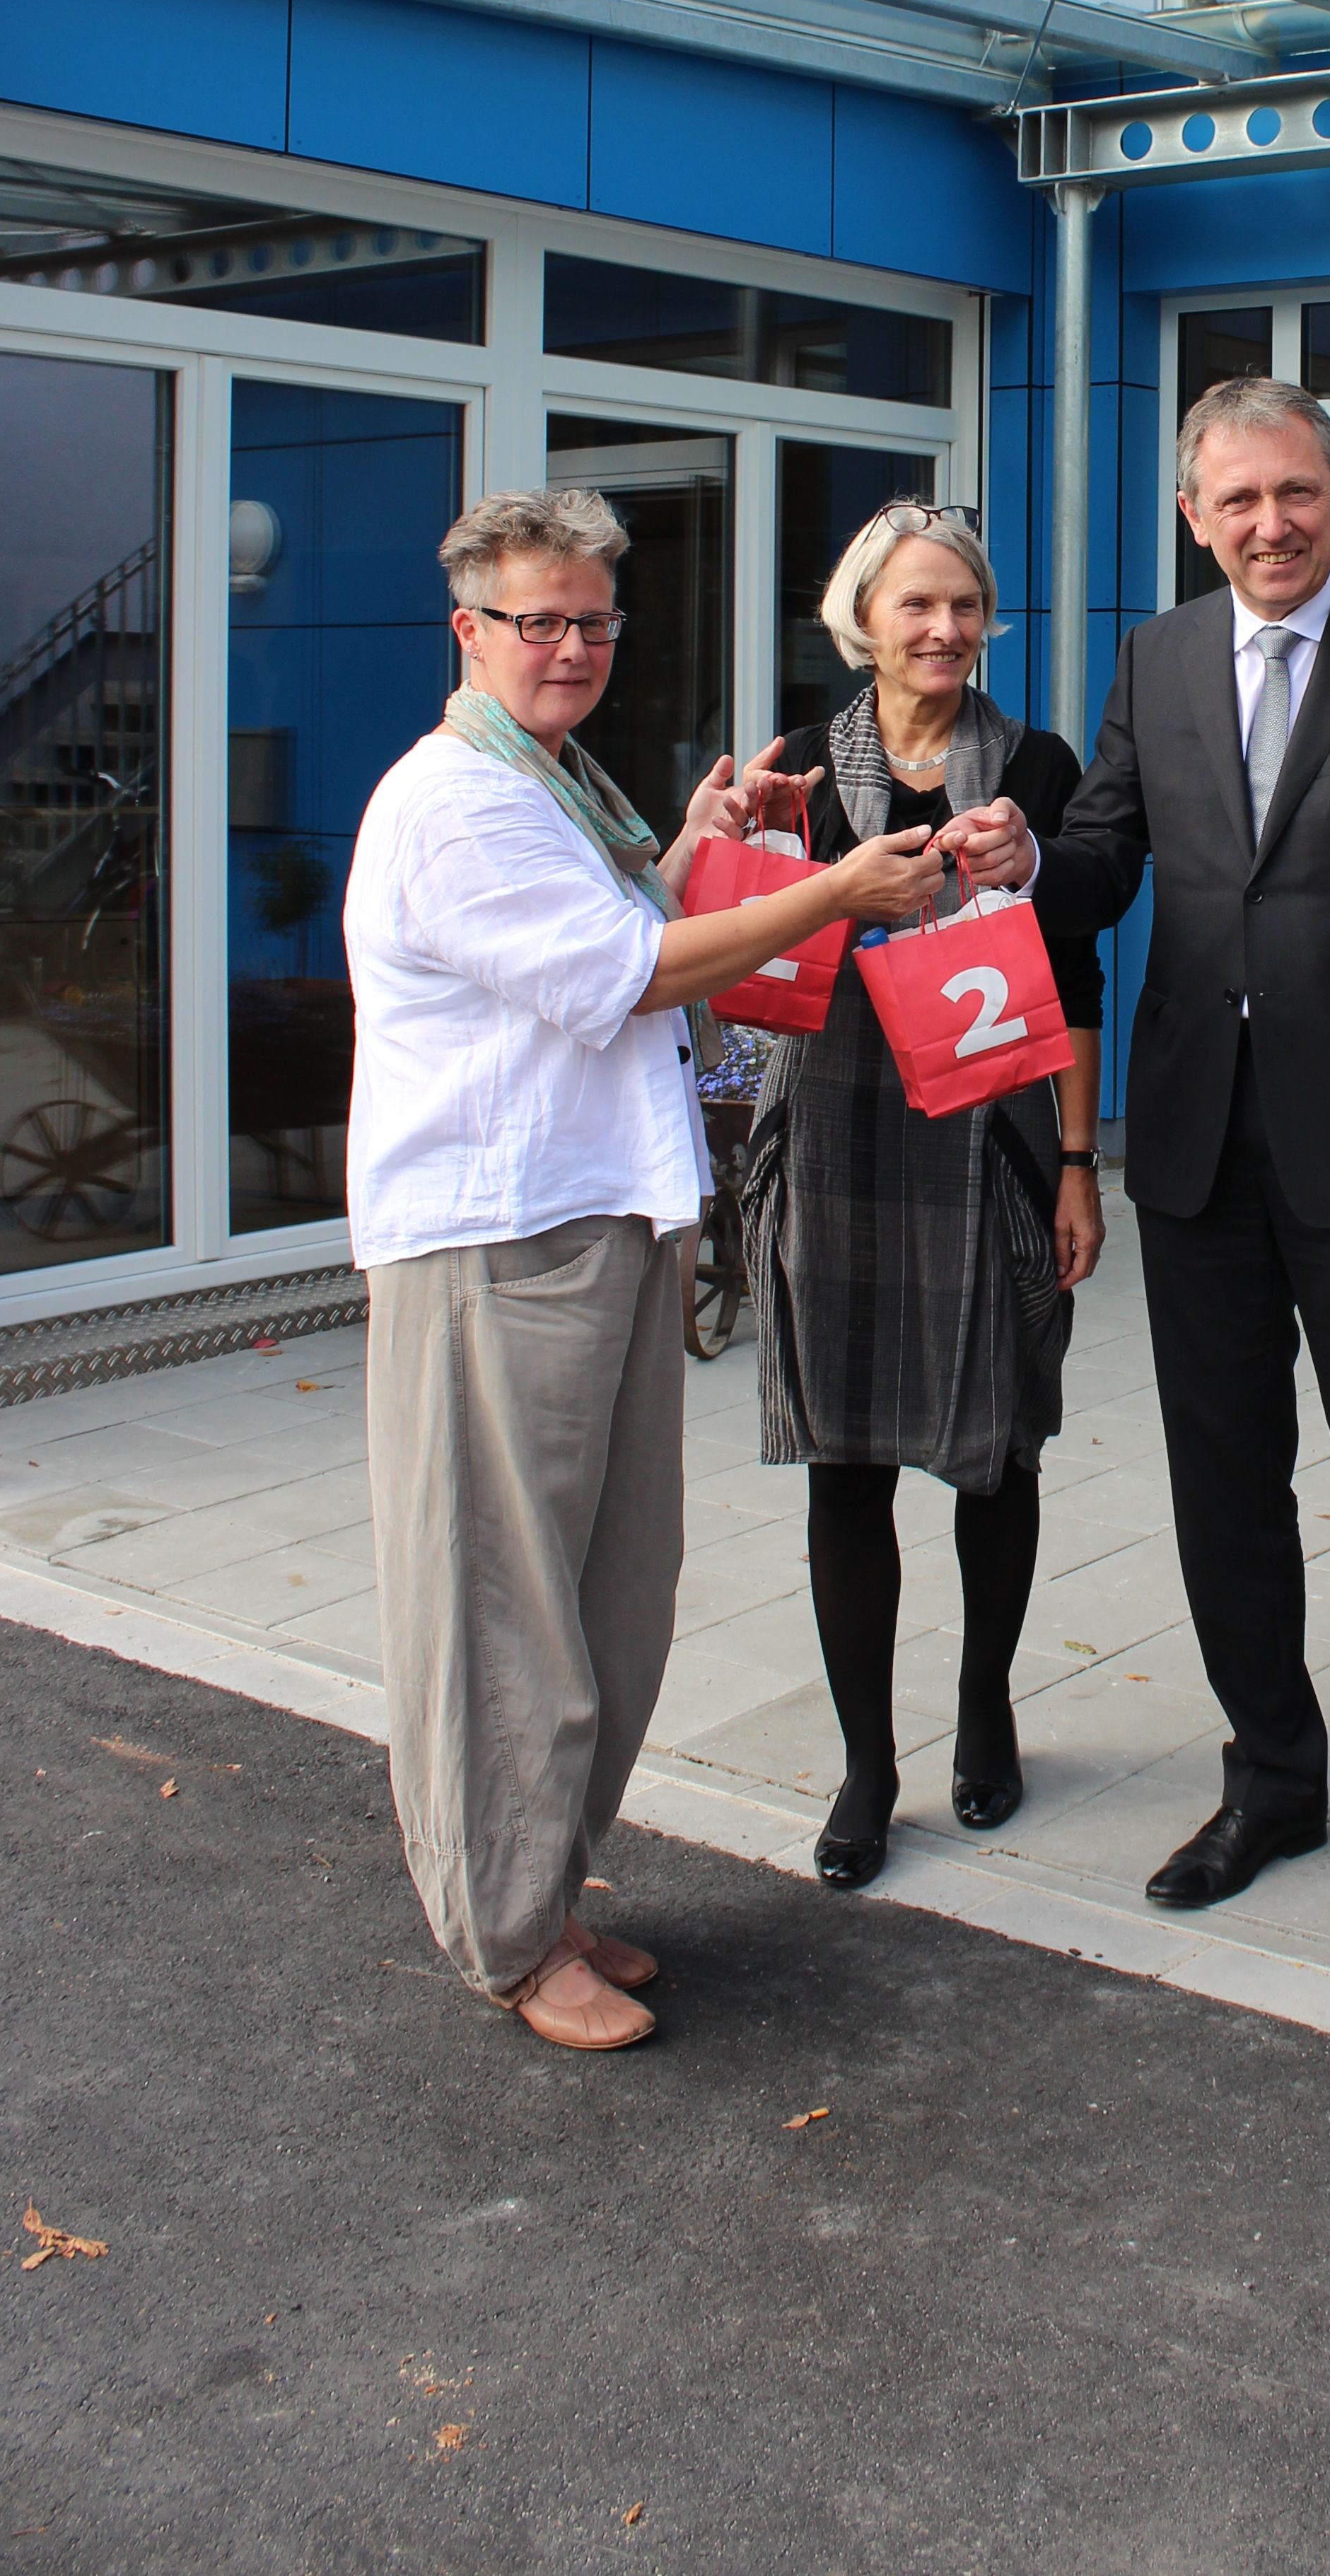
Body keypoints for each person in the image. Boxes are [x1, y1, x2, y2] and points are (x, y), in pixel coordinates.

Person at [346, 487, 937, 2052]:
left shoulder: (546, 777)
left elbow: (627, 919)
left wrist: (698, 842)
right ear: (468, 629)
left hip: (599, 1219)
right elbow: (626, 971)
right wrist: (839, 889)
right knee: (503, 1604)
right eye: (537, 620)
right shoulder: (455, 802)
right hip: (497, 1239)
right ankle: (506, 1934)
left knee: (605, 1587)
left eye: (595, 620)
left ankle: (546, 1887)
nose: (571, 647)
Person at [945, 376, 1330, 1947]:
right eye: (1236, 503)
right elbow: (1109, 859)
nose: (1269, 525)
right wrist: (1023, 863)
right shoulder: (1162, 653)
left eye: (1297, 494)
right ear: (1195, 519)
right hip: (1200, 1139)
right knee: (1225, 1482)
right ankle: (1271, 1776)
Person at [739, 501, 1106, 1889]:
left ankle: (988, 1705)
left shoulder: (1034, 768)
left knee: (996, 1446)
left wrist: (1077, 1164)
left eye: (965, 604)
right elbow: (744, 966)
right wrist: (781, 857)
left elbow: (1077, 982)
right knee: (847, 1456)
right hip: (835, 1141)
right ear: (865, 621)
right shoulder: (801, 774)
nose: (945, 628)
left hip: (991, 1141)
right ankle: (868, 1767)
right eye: (917, 606)